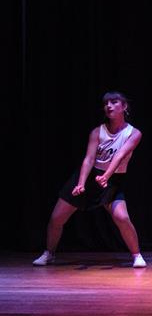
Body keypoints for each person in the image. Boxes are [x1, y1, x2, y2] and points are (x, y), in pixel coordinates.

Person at [34, 91, 145, 268]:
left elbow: (120, 155)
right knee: (56, 218)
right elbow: (89, 159)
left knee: (122, 217)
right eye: (106, 103)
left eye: (114, 102)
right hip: (90, 175)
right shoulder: (97, 132)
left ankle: (137, 255)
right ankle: (49, 253)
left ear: (124, 106)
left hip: (112, 179)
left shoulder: (134, 133)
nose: (108, 106)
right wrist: (81, 183)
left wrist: (106, 176)